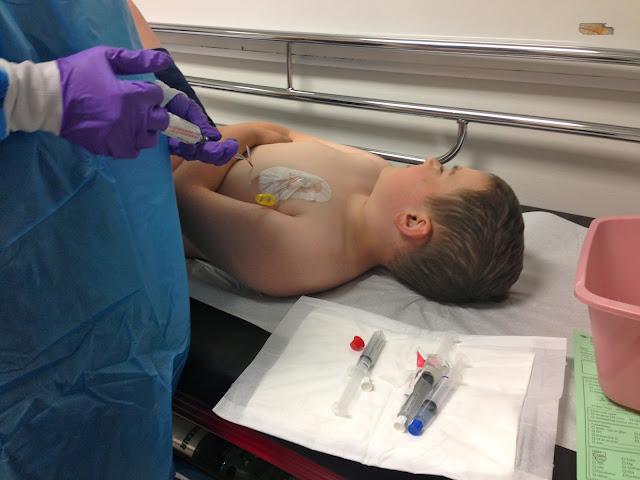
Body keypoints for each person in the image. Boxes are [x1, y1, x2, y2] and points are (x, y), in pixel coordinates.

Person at [0, 1, 242, 479]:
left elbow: (98, 22)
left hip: (119, 246)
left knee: (122, 432)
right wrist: (31, 94)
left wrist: (156, 93)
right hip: (22, 280)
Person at [172, 122, 525, 304]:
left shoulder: (306, 253)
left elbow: (182, 196)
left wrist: (240, 136)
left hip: (158, 170)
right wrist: (233, 136)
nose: (433, 161)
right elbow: (283, 133)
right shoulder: (374, 168)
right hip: (195, 137)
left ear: (413, 222)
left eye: (444, 172)